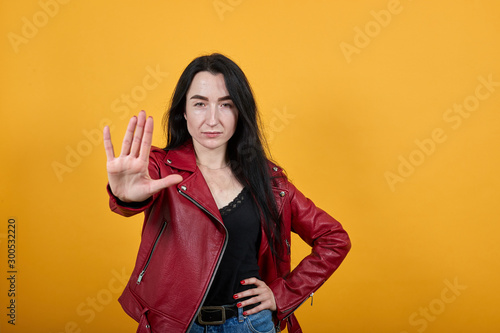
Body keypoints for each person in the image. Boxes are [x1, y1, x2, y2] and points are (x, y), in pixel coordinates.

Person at [103, 53, 350, 333]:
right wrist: (125, 196)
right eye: (199, 104)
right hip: (176, 327)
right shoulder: (159, 168)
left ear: (239, 112)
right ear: (183, 111)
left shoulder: (271, 182)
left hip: (250, 325)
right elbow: (131, 197)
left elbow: (334, 239)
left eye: (226, 105)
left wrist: (282, 294)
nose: (212, 119)